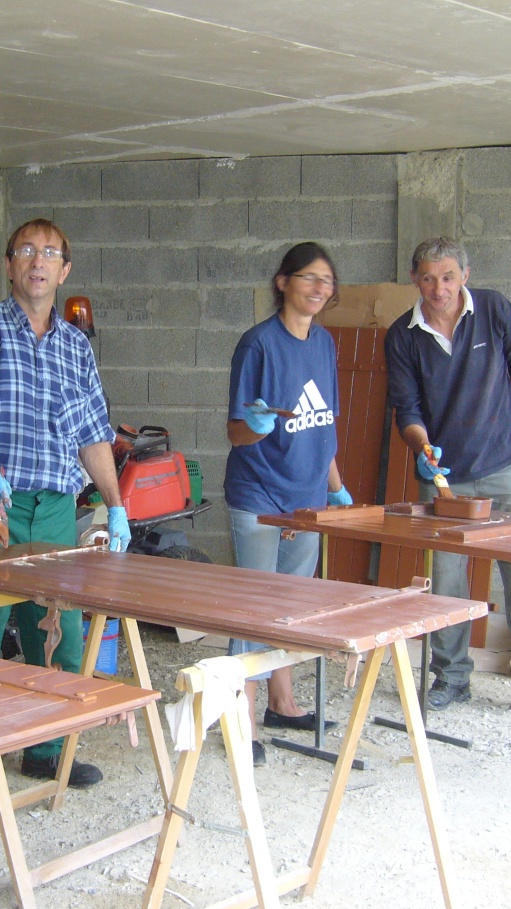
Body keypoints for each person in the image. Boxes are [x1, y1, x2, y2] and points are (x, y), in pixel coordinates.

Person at [0, 217, 130, 796]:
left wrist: (115, 507)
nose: (37, 261)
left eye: (50, 254)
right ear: (10, 264)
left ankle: (44, 750)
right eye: (25, 251)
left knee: (58, 633)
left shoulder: (76, 349)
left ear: (64, 271)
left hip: (58, 509)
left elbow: (93, 436)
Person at [384, 236, 511, 726]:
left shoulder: (494, 310)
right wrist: (422, 448)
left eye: (447, 276)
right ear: (414, 279)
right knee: (446, 582)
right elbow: (408, 408)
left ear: (465, 275)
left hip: (504, 467)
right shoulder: (403, 334)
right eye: (427, 277)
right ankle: (451, 675)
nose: (438, 288)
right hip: (445, 480)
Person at [224, 242, 352, 766]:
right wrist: (255, 424)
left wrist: (335, 488)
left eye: (327, 280)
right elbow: (235, 432)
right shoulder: (258, 345)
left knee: (292, 610)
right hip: (260, 494)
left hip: (308, 499)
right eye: (309, 278)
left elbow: (323, 425)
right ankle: (242, 722)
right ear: (282, 282)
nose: (320, 288)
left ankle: (283, 703)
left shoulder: (323, 344)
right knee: (255, 612)